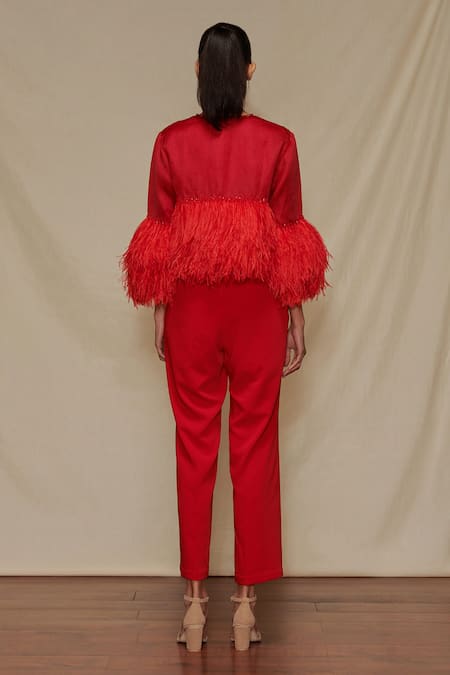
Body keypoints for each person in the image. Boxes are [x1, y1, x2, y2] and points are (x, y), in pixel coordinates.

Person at [119, 22, 332, 652]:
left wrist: (161, 309)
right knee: (255, 447)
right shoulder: (278, 142)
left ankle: (193, 608)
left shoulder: (170, 143)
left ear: (197, 70)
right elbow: (289, 235)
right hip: (258, 310)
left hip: (192, 309)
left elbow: (158, 235)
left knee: (194, 446)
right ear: (250, 71)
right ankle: (244, 610)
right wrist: (295, 314)